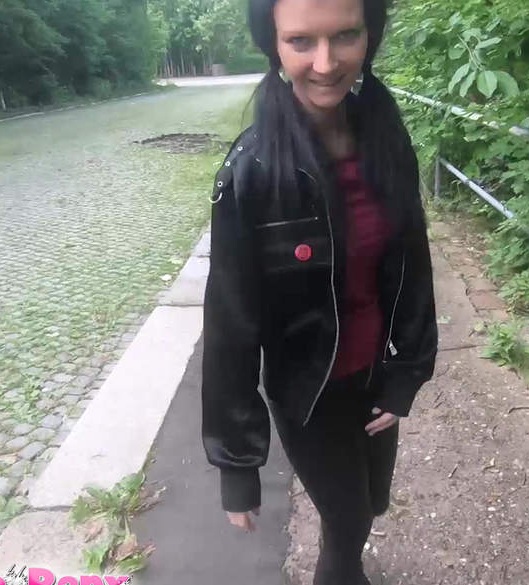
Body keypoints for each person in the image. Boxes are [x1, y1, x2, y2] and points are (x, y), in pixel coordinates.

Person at [201, 0, 437, 581]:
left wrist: (407, 373)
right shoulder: (253, 170)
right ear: (274, 45)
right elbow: (230, 321)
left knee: (372, 503)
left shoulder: (385, 138)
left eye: (345, 36)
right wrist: (238, 464)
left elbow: (413, 262)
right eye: (302, 41)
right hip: (308, 393)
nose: (326, 63)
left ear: (369, 34)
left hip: (374, 377)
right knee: (350, 519)